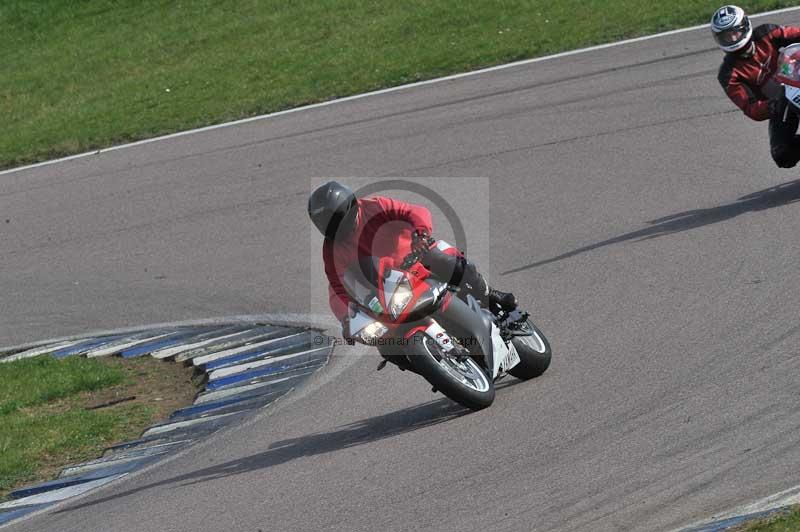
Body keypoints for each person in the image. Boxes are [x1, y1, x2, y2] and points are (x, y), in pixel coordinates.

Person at [307, 181, 517, 341]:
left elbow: (413, 212)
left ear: (350, 206)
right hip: (386, 292)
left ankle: (489, 294)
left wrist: (420, 235)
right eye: (326, 224)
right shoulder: (331, 250)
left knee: (444, 260)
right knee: (383, 342)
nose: (334, 227)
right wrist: (346, 319)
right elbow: (337, 288)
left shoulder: (375, 207)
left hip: (416, 258)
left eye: (336, 219)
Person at [713, 5, 800, 168]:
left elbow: (796, 35)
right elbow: (750, 107)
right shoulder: (728, 74)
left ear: (745, 26)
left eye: (734, 32)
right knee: (782, 154)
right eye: (726, 36)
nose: (732, 39)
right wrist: (772, 105)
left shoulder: (768, 33)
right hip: (781, 104)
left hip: (799, 79)